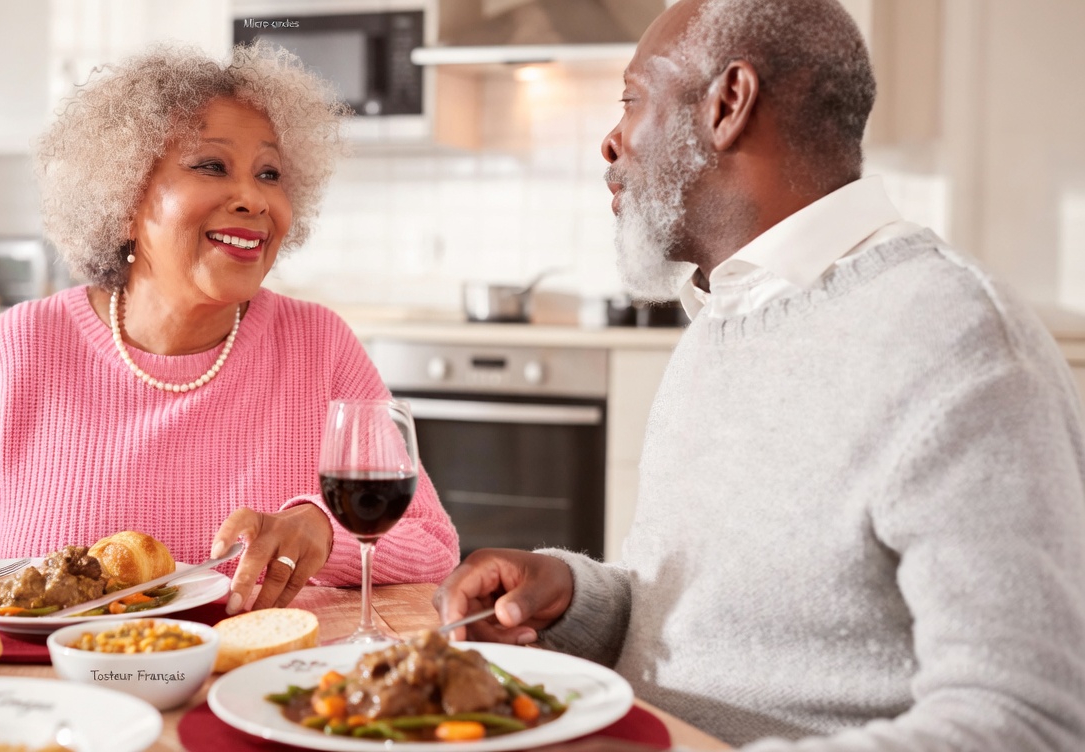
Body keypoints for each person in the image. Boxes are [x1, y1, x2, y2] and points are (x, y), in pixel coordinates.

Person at [435, 0, 1085, 749]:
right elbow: (709, 625)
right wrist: (575, 598)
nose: (611, 142)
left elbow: (1027, 722)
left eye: (632, 100)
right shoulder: (727, 315)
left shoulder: (957, 339)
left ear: (728, 103)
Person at [0, 44, 459, 612]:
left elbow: (429, 543)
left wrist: (322, 531)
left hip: (259, 684)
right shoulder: (23, 343)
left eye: (270, 174)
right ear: (123, 202)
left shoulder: (319, 344)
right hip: (54, 692)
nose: (254, 198)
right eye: (212, 166)